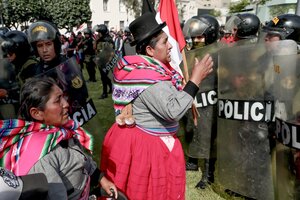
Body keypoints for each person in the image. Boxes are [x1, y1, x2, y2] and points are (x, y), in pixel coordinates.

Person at [100, 12, 213, 200]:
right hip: (146, 148)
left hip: (147, 141)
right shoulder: (147, 77)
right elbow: (173, 110)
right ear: (150, 51)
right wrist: (195, 79)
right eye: (164, 42)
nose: (170, 46)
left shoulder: (152, 69)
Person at [0, 76, 119, 200]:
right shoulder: (41, 158)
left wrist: (101, 179)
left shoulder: (61, 131)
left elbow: (82, 159)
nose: (66, 104)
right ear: (37, 113)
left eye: (63, 96)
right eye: (58, 100)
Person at [182, 14, 220, 189]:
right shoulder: (190, 53)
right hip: (195, 98)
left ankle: (208, 173)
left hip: (211, 102)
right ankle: (192, 160)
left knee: (208, 136)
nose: (195, 39)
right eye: (194, 36)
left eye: (200, 36)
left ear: (210, 35)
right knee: (192, 129)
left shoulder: (218, 54)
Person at [27, 21, 89, 116]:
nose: (44, 50)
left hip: (68, 116)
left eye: (48, 44)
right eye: (40, 46)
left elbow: (81, 96)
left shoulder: (67, 65)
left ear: (55, 45)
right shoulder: (35, 69)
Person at [94, 24, 113, 99]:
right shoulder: (99, 40)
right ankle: (111, 87)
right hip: (100, 61)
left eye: (99, 32)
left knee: (104, 77)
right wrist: (96, 40)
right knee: (103, 77)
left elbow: (111, 52)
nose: (98, 34)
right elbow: (94, 48)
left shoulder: (108, 40)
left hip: (106, 62)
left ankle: (104, 93)